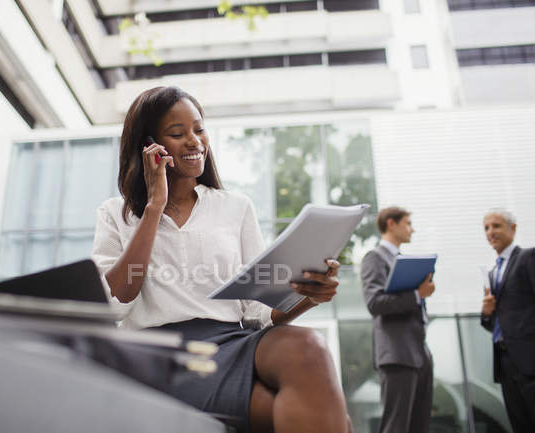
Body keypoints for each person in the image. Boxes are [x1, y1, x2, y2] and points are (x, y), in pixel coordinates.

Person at [91, 86, 351, 433]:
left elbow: (256, 310)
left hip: (231, 340)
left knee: (309, 347)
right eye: (177, 134)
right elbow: (117, 301)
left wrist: (307, 295)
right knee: (311, 415)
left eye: (199, 129)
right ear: (150, 145)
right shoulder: (115, 214)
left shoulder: (235, 207)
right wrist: (154, 206)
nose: (194, 141)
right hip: (161, 353)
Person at [360, 206, 435, 433]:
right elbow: (374, 303)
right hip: (397, 353)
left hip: (420, 352)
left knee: (419, 425)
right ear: (391, 224)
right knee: (397, 426)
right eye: (408, 223)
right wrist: (417, 295)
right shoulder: (374, 258)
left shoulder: (404, 260)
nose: (412, 229)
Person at [480, 209, 535, 433]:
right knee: (520, 424)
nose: (490, 232)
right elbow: (493, 323)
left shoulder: (528, 258)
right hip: (505, 361)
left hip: (530, 358)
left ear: (512, 228)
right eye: (486, 228)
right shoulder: (493, 273)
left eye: (496, 226)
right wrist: (486, 313)